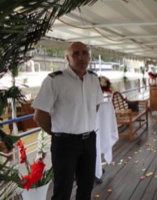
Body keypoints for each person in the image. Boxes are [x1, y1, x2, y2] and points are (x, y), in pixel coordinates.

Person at [32, 41, 104, 200]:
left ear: (89, 56)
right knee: (62, 190)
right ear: (67, 58)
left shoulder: (93, 79)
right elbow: (39, 115)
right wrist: (58, 132)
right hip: (65, 144)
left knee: (86, 187)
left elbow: (96, 105)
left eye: (84, 53)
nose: (81, 58)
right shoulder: (55, 80)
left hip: (89, 140)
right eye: (76, 54)